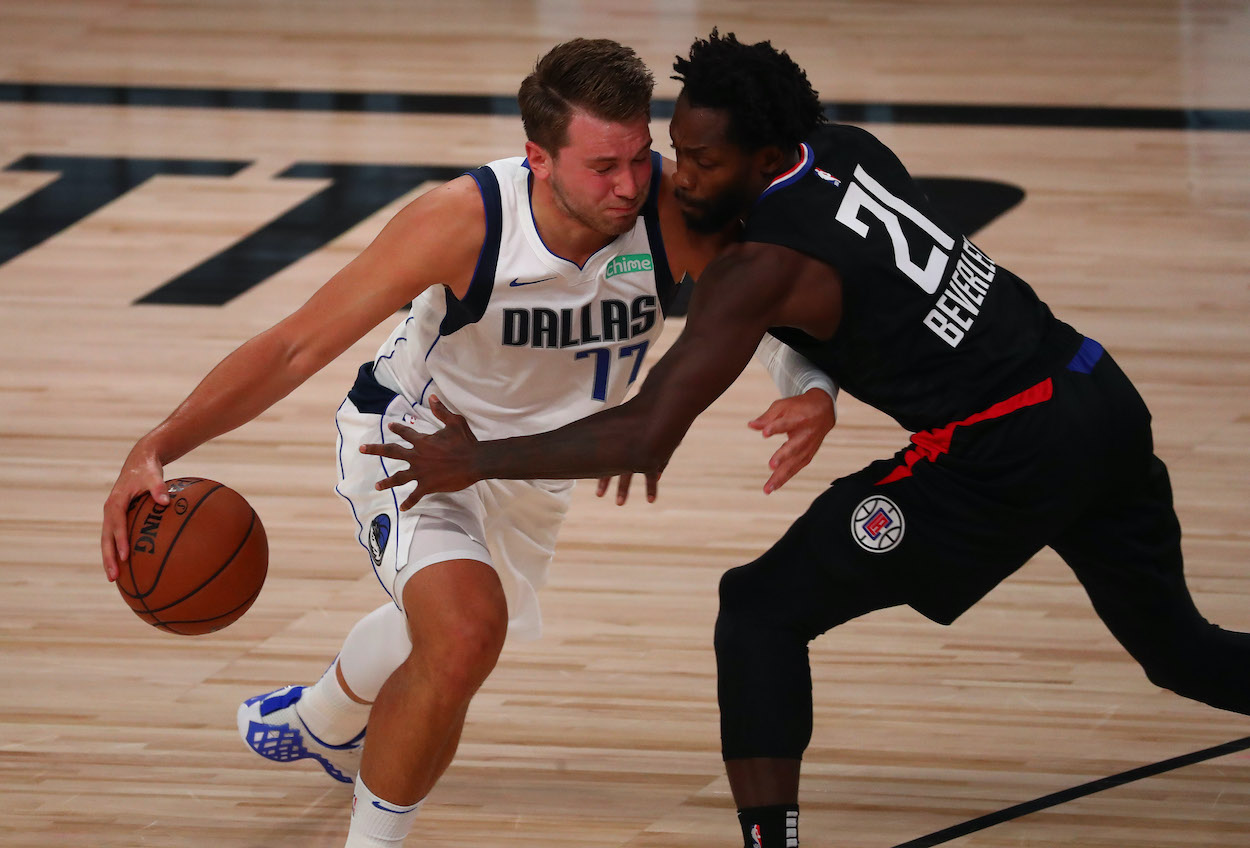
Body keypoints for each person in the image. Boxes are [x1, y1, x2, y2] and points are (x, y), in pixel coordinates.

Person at [360, 30, 1250, 848]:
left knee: (758, 611)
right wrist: (817, 381)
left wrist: (474, 460)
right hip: (1096, 392)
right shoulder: (848, 148)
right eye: (678, 149)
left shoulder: (763, 266)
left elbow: (645, 434)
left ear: (770, 154)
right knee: (1177, 650)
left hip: (1003, 452)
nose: (680, 178)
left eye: (704, 162)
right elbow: (855, 292)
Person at [99, 38, 838, 848]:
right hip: (417, 443)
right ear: (539, 157)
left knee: (454, 626)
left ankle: (322, 721)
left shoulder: (663, 206)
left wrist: (810, 387)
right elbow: (294, 347)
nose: (629, 184)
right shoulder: (464, 221)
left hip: (538, 467)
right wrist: (159, 443)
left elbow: (751, 308)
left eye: (638, 156)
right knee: (463, 634)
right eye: (602, 166)